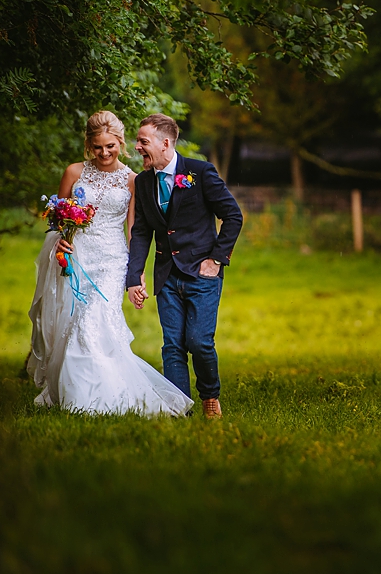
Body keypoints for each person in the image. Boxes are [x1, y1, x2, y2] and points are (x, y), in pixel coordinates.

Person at [27, 111, 193, 416]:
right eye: (97, 147)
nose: (104, 153)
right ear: (89, 145)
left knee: (94, 321)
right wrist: (61, 240)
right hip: (78, 257)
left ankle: (92, 400)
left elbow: (134, 230)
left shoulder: (132, 180)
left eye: (110, 147)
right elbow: (57, 220)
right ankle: (76, 393)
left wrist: (136, 274)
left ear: (121, 143)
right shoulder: (74, 172)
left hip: (113, 260)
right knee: (72, 323)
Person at [125, 113, 243, 419]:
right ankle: (179, 408)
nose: (137, 146)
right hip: (166, 277)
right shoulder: (143, 181)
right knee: (173, 346)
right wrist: (134, 275)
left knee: (199, 342)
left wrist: (216, 259)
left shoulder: (200, 173)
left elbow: (233, 216)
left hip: (202, 275)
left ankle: (209, 395)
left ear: (165, 143)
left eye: (143, 141)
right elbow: (141, 231)